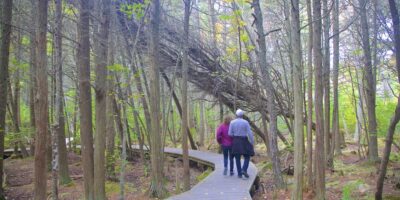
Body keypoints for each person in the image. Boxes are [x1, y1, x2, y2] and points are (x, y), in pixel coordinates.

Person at [228, 109, 254, 179]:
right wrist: (252, 142)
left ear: (236, 115)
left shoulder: (232, 122)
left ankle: (239, 174)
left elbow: (230, 133)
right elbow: (250, 133)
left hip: (236, 141)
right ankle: (244, 169)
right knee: (247, 156)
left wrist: (235, 135)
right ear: (242, 115)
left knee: (237, 158)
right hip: (244, 140)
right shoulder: (245, 122)